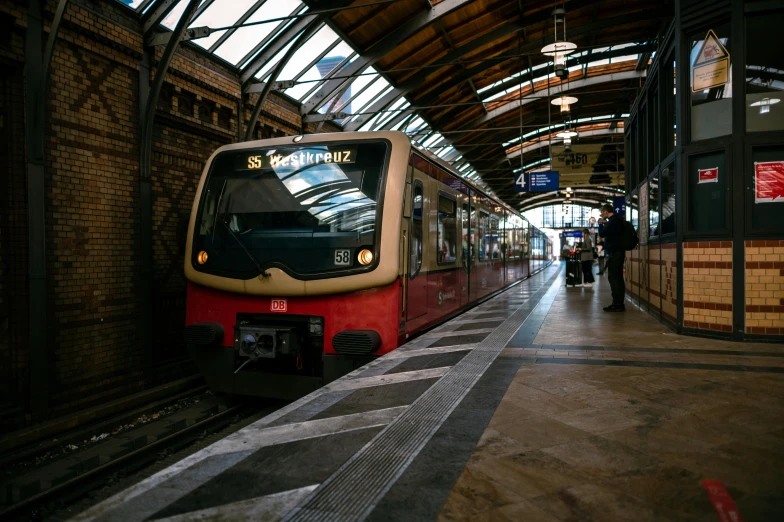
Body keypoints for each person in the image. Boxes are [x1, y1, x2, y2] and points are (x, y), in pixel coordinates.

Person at [598, 203, 625, 312]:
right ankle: (619, 303)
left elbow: (602, 233)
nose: (601, 214)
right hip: (618, 252)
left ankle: (617, 304)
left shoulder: (613, 221)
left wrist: (600, 224)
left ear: (605, 211)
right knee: (618, 278)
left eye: (602, 212)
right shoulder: (617, 220)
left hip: (615, 253)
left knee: (614, 278)